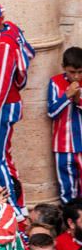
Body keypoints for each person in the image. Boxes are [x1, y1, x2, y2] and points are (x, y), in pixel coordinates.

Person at [0, 0, 35, 216]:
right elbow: (29, 53)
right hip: (8, 105)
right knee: (3, 157)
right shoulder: (12, 30)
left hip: (1, 108)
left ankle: (10, 207)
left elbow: (1, 83)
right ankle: (17, 205)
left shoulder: (2, 43)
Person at [47, 46, 82, 202]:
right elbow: (52, 112)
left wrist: (78, 100)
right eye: (72, 72)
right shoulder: (55, 82)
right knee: (67, 188)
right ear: (64, 68)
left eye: (80, 72)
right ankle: (70, 220)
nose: (76, 76)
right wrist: (67, 95)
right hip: (63, 145)